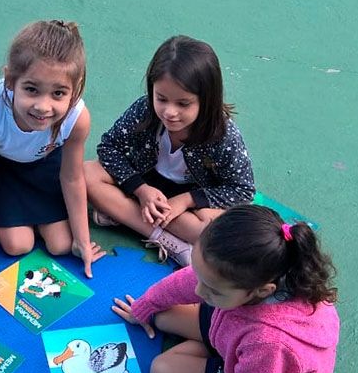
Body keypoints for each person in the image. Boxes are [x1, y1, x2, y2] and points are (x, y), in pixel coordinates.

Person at [112, 205, 339, 373]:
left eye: (212, 290)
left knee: (161, 370)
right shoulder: (249, 275)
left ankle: (223, 359)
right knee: (162, 315)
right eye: (201, 278)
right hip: (237, 331)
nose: (198, 290)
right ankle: (220, 351)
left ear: (263, 291)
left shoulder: (268, 343)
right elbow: (187, 282)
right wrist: (146, 306)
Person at [85, 36, 254, 266]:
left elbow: (242, 190)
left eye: (183, 104)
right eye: (161, 98)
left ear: (207, 100)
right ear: (152, 89)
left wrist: (186, 200)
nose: (169, 112)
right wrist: (141, 189)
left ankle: (122, 214)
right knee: (87, 174)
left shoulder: (223, 134)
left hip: (190, 201)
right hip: (145, 184)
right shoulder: (144, 109)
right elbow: (108, 147)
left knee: (219, 231)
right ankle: (166, 239)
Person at [0, 20, 103, 277]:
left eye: (58, 93)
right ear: (11, 80)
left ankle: (40, 220)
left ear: (75, 89)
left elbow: (72, 177)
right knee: (16, 245)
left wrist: (82, 240)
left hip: (47, 167)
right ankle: (23, 218)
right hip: (5, 169)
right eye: (32, 89)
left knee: (61, 246)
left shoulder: (78, 118)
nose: (43, 107)